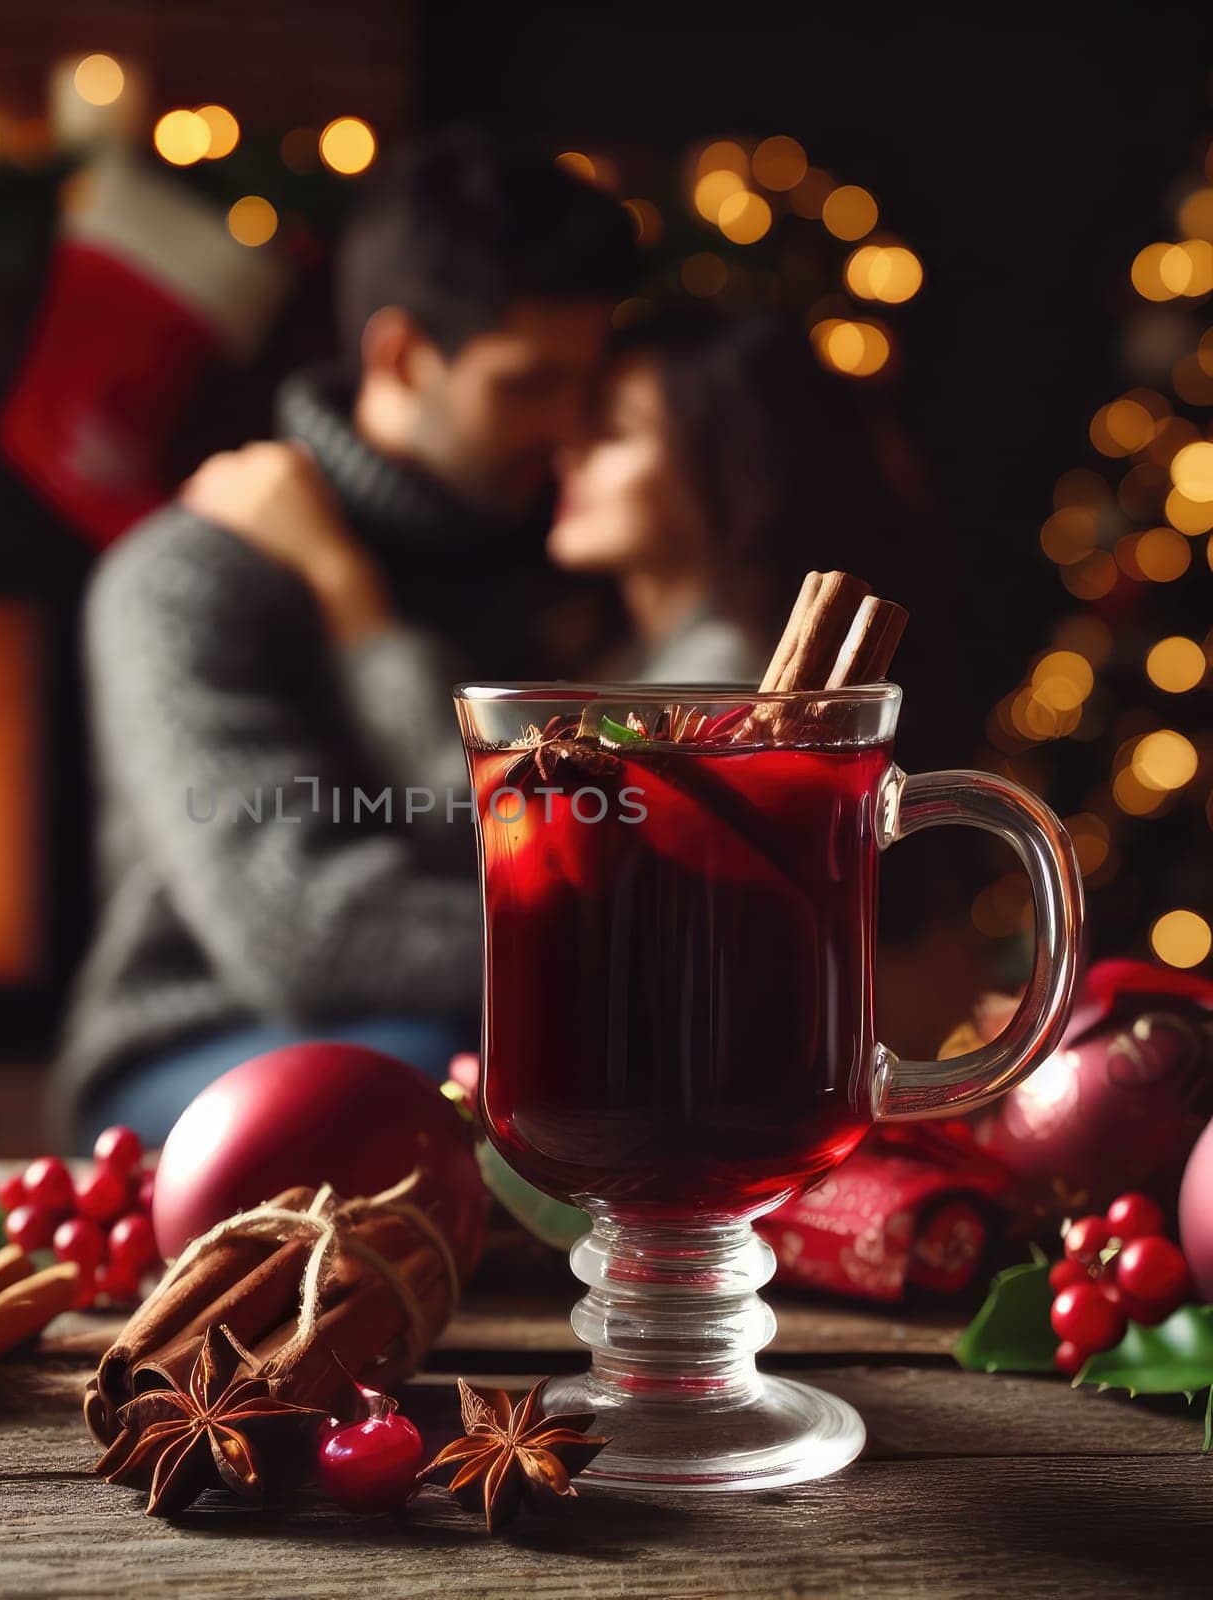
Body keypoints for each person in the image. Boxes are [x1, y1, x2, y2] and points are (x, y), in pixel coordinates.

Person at [52, 130, 637, 1146]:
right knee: (424, 1079)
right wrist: (624, 951)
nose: (566, 428)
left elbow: (561, 852)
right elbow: (309, 936)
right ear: (401, 355)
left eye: (585, 389)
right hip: (188, 1055)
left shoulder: (567, 554)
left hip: (472, 1032)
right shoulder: (187, 574)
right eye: (529, 384)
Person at [548, 310, 947, 698]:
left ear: (722, 463)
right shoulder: (633, 658)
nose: (569, 455)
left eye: (613, 432)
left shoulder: (716, 683)